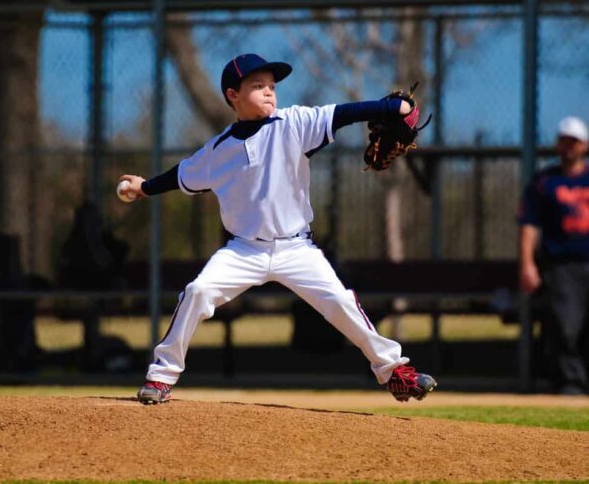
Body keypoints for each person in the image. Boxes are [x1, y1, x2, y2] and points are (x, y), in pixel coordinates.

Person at [118, 53, 437, 404]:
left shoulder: (294, 123)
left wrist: (385, 108)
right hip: (244, 251)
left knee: (342, 303)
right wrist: (144, 187)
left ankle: (394, 372)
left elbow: (342, 113)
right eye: (257, 87)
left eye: (272, 86)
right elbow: (180, 175)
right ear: (232, 95)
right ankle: (162, 376)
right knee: (197, 292)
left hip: (296, 249)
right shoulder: (218, 151)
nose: (269, 92)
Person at [518, 116, 589, 395]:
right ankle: (571, 382)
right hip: (562, 266)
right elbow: (529, 225)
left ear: (585, 145)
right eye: (564, 141)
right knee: (565, 328)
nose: (569, 147)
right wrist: (528, 263)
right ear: (557, 144)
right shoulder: (545, 182)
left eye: (574, 142)